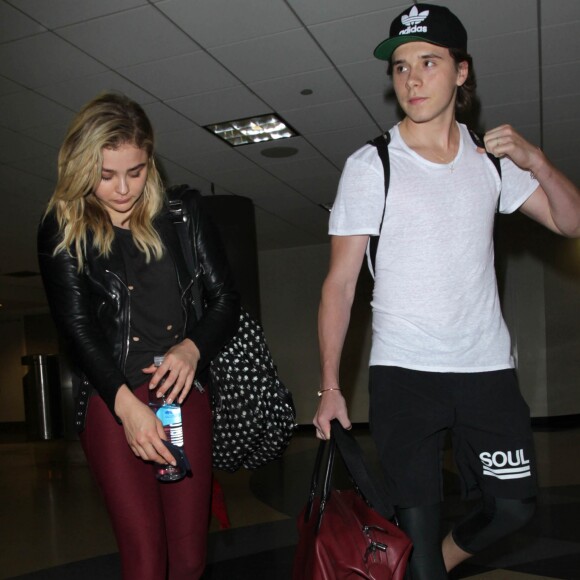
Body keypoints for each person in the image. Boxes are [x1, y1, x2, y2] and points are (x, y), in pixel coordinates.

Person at [313, 4, 580, 578]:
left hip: (486, 370)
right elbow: (339, 285)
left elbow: (570, 221)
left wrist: (536, 161)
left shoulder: (490, 160)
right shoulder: (372, 165)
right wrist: (331, 385)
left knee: (513, 507)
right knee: (420, 544)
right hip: (404, 374)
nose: (411, 78)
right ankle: (426, 561)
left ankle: (436, 559)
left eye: (429, 62)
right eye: (401, 67)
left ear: (462, 72)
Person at [37, 92, 240, 580]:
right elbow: (77, 330)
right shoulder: (63, 230)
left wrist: (191, 349)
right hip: (113, 400)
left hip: (181, 395)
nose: (123, 188)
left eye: (137, 170)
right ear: (82, 166)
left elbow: (226, 300)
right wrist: (127, 408)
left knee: (189, 560)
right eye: (106, 175)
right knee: (146, 562)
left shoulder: (184, 216)